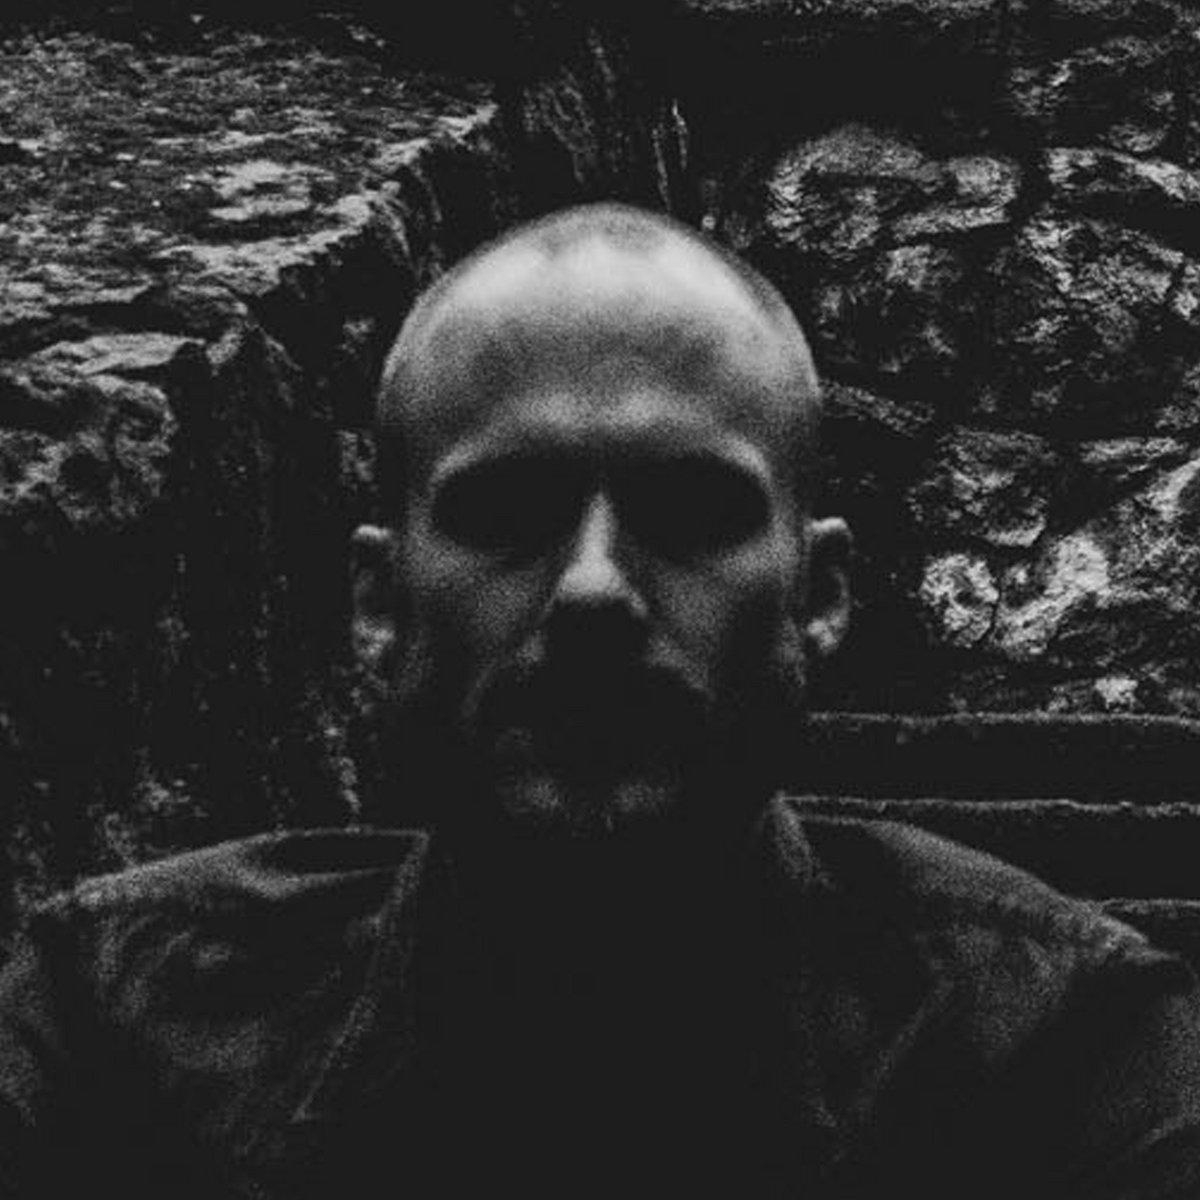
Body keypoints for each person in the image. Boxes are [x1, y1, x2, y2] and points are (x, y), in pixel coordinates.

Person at [2, 203, 1199, 1199]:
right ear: (378, 599)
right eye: (505, 514)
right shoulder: (113, 1021)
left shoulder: (1066, 1055)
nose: (591, 590)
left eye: (692, 513)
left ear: (821, 594)